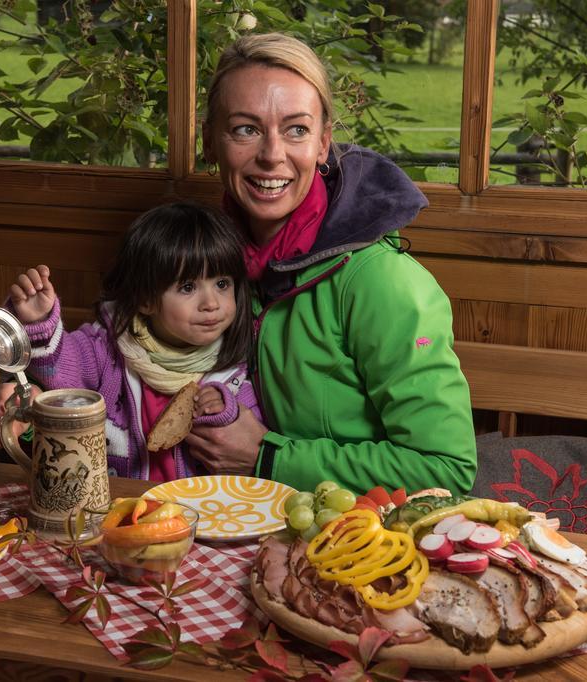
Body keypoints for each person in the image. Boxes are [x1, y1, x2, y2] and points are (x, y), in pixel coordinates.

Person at [185, 32, 477, 495]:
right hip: (230, 516)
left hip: (358, 537)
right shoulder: (204, 265)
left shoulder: (382, 281)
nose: (272, 155)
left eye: (296, 130)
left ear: (323, 144)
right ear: (210, 140)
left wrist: (268, 456)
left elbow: (446, 470)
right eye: (246, 129)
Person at [0, 201, 262, 480]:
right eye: (188, 287)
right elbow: (60, 367)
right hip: (118, 507)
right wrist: (38, 321)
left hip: (199, 512)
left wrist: (223, 411)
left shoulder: (235, 373)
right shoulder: (106, 348)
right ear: (145, 299)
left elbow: (248, 440)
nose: (212, 303)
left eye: (222, 284)